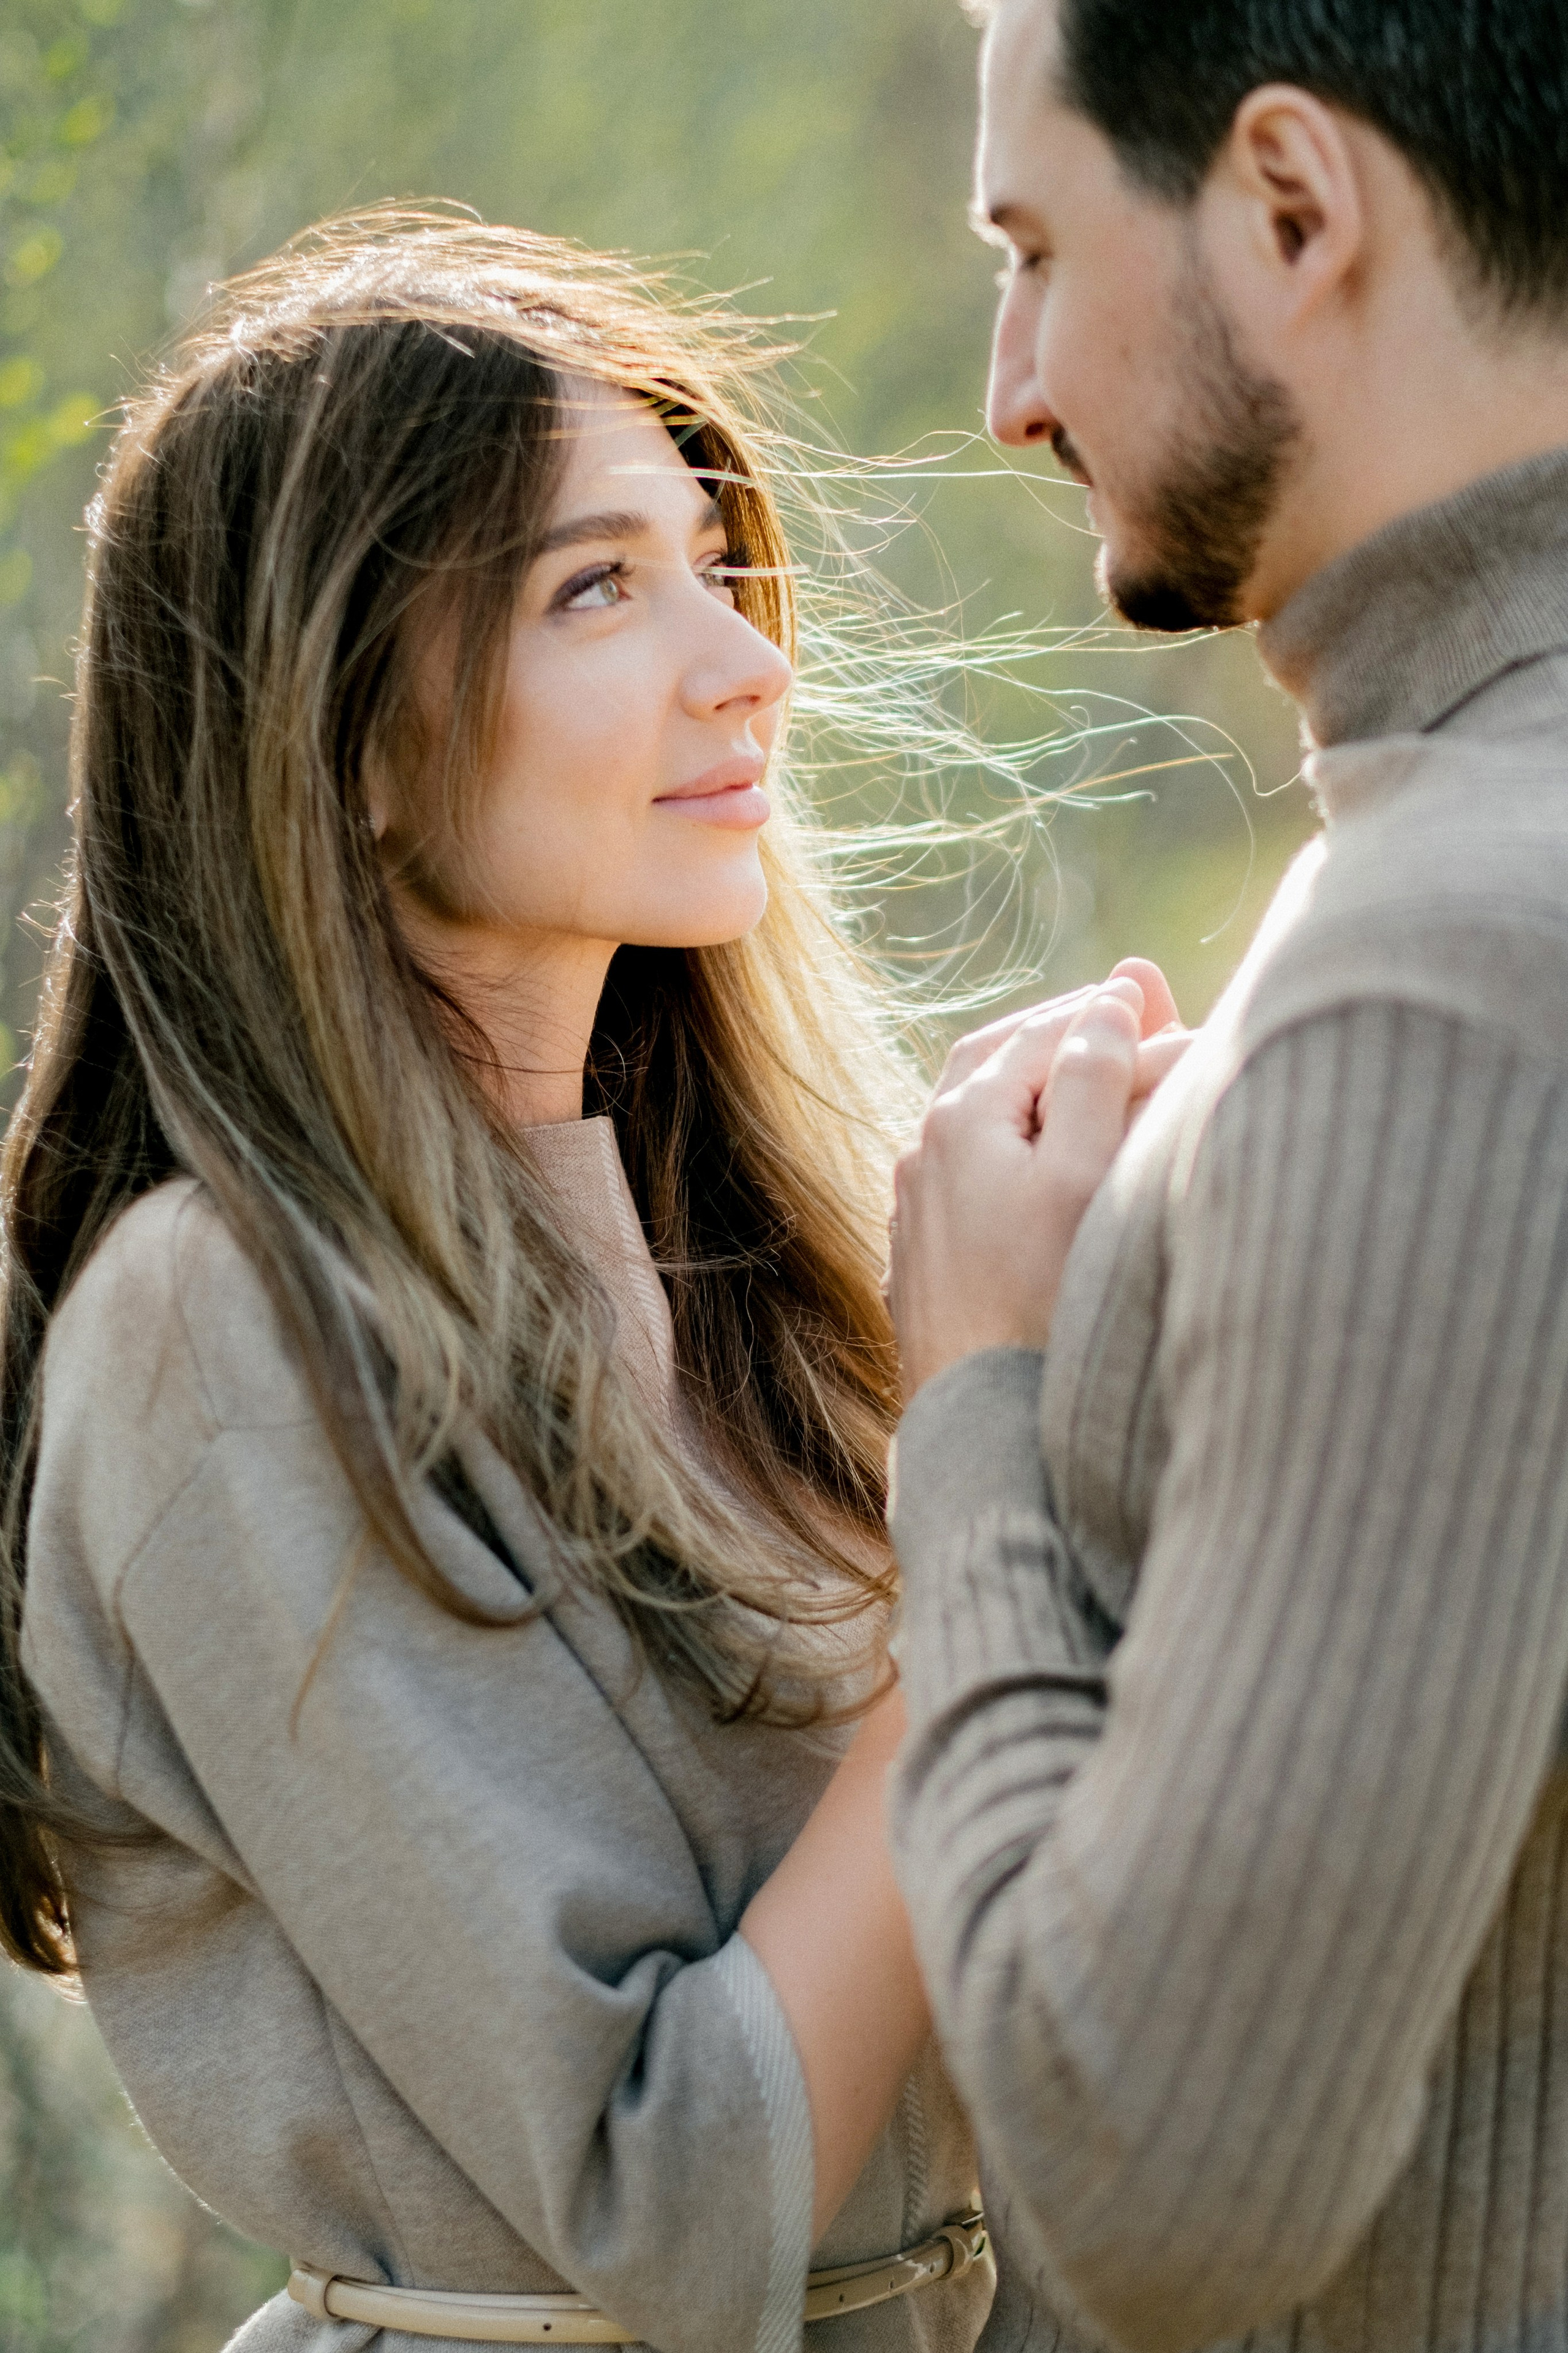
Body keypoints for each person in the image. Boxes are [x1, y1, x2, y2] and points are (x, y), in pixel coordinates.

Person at [0, 211, 1007, 2353]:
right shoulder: (216, 1331)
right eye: (596, 588)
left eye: (714, 564)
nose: (747, 661)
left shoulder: (724, 1265)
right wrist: (998, 1530)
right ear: (343, 739)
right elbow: (672, 2191)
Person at [883, 4, 1568, 2352]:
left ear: (1294, 204)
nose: (1012, 385)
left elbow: (1161, 2170)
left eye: (1037, 248)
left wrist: (977, 1393)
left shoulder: (1443, 978)